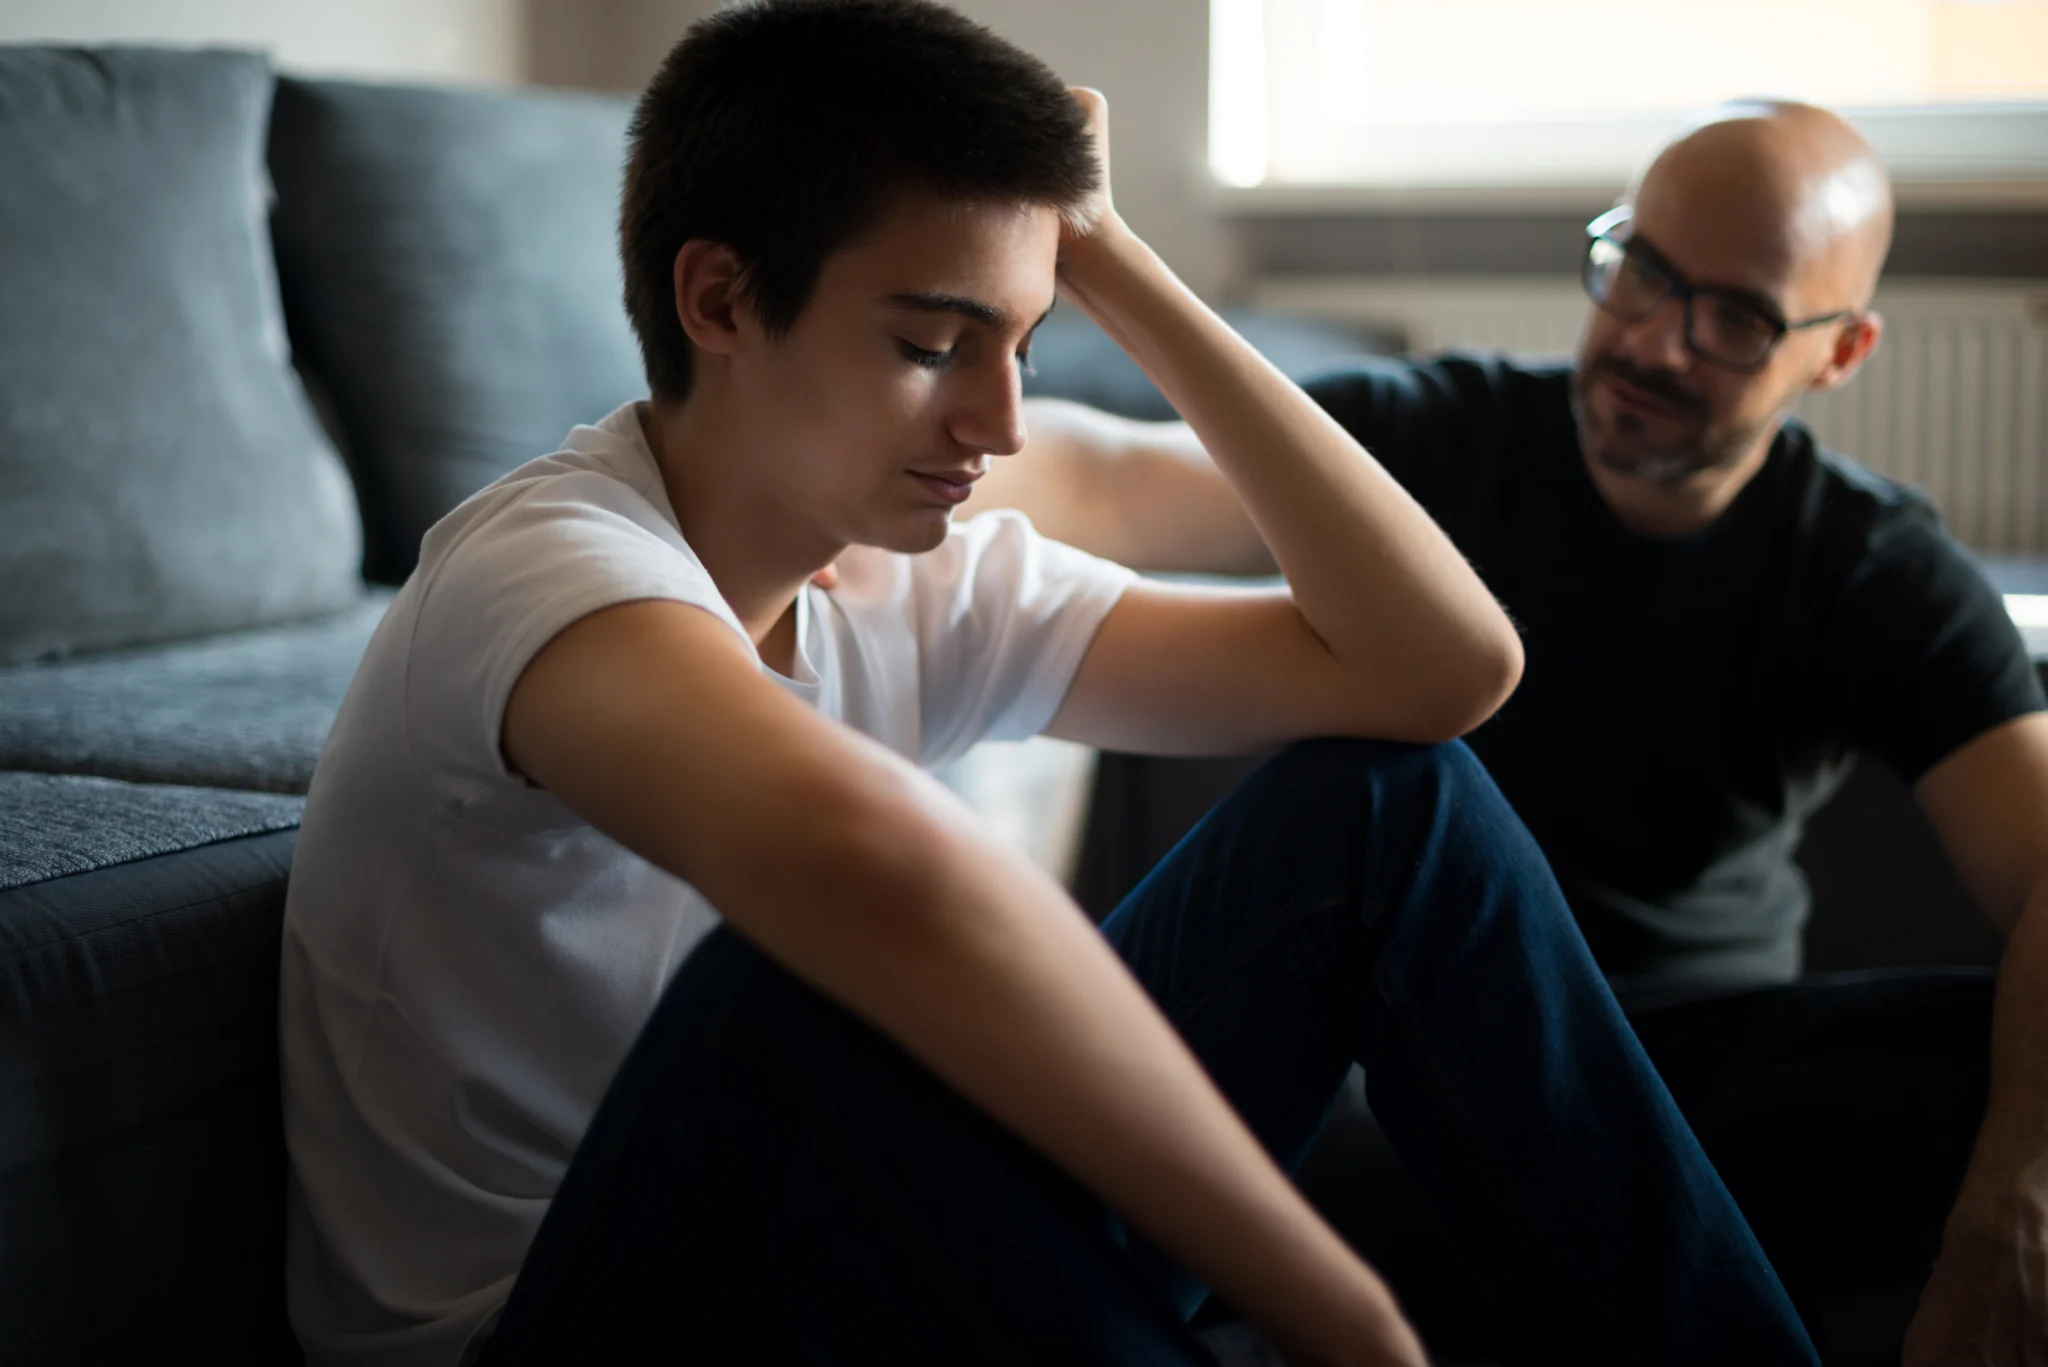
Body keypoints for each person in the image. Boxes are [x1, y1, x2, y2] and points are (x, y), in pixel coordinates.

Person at [276, 6, 1822, 1364]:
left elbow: (1443, 671)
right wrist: (1340, 1310)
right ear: (722, 301)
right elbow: (880, 870)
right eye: (937, 343)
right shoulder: (551, 574)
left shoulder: (914, 576)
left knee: (1384, 805)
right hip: (565, 1318)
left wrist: (1118, 260)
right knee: (793, 994)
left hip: (839, 1253)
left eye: (1020, 342)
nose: (1003, 423)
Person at [981, 100, 2048, 1364]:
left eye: (1732, 317)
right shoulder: (1454, 435)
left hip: (1690, 1078)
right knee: (1383, 806)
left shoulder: (1870, 564)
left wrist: (2006, 1206)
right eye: (1638, 269)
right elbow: (1109, 475)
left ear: (1838, 350)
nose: (1652, 339)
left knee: (1992, 1063)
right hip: (1397, 1074)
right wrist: (878, 456)